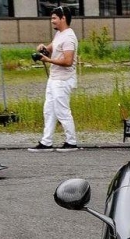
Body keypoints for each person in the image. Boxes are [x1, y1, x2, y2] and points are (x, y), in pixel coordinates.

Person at [28, 6, 79, 152]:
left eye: (54, 18)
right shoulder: (59, 34)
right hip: (54, 78)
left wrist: (48, 60)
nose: (52, 21)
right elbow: (50, 49)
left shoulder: (69, 37)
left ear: (63, 18)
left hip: (63, 80)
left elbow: (68, 61)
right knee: (49, 110)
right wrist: (43, 48)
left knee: (62, 111)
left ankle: (71, 142)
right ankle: (46, 142)